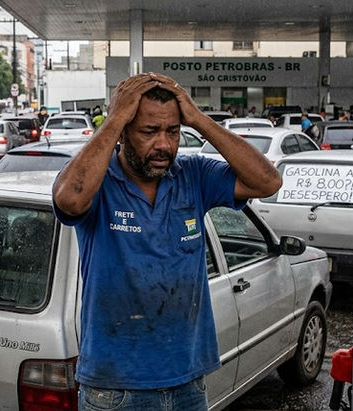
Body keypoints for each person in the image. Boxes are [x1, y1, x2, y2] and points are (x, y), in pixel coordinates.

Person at [52, 72, 281, 410]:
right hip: (116, 390)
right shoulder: (98, 182)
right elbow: (68, 200)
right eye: (149, 131)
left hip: (188, 383)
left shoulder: (193, 175)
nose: (163, 144)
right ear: (123, 132)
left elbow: (268, 181)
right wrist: (114, 118)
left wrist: (198, 119)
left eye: (172, 132)